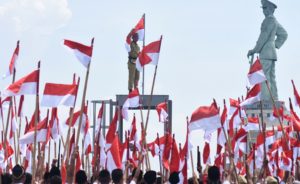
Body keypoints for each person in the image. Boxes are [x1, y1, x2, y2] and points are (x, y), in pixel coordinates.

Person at [247, 0, 288, 101]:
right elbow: (284, 34)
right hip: (271, 53)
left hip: (265, 53)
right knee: (271, 78)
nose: (263, 11)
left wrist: (254, 50)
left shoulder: (268, 20)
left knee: (263, 77)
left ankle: (265, 100)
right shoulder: (274, 20)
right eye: (263, 9)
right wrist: (274, 45)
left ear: (270, 9)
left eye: (265, 8)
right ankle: (274, 98)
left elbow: (263, 37)